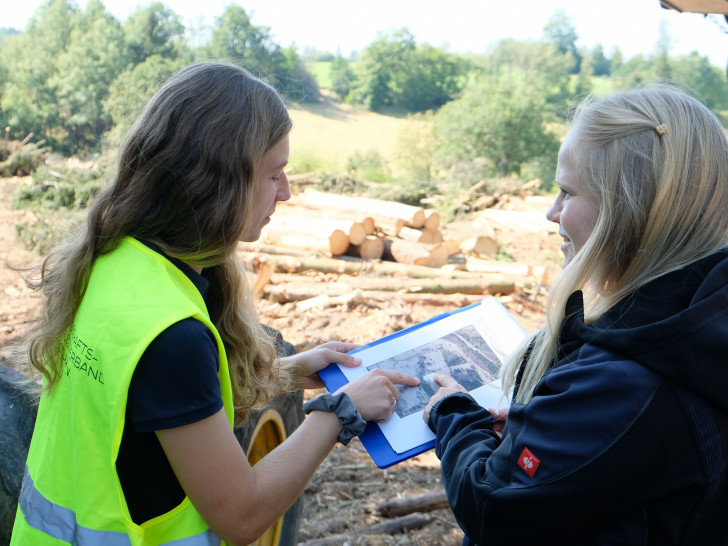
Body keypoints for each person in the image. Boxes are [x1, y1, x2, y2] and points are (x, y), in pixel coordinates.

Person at [11, 61, 419, 546]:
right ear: (217, 183)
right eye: (274, 174)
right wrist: (339, 414)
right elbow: (242, 515)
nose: (286, 193)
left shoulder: (115, 263)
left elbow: (161, 402)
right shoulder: (173, 337)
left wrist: (287, 372)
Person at [423, 84, 728, 545]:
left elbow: (493, 506)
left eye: (566, 192)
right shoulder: (698, 329)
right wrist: (548, 426)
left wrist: (453, 416)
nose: (552, 213)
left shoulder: (621, 384)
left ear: (626, 209)